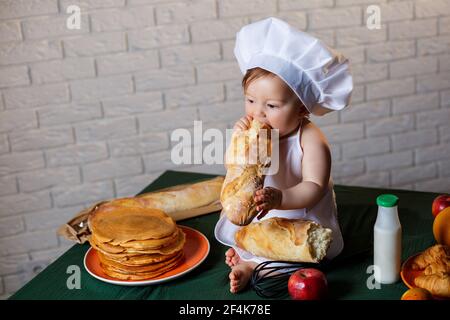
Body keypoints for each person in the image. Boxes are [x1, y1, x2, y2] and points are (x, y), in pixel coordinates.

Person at [214, 17, 353, 293]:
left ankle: (255, 267)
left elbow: (314, 187)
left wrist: (281, 198)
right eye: (251, 100)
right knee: (252, 236)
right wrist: (239, 143)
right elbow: (237, 171)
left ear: (302, 108)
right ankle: (247, 258)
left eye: (272, 105)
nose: (258, 112)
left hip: (298, 211)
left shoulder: (311, 139)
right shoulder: (255, 130)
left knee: (295, 249)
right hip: (260, 210)